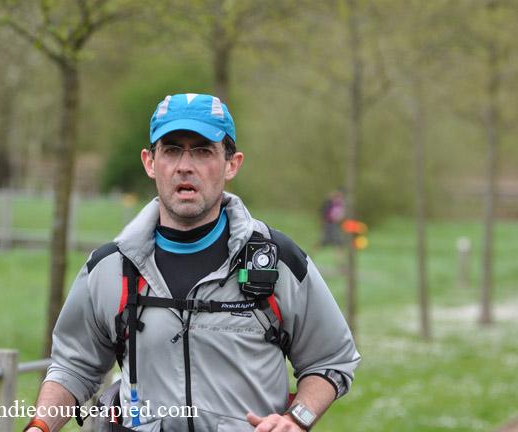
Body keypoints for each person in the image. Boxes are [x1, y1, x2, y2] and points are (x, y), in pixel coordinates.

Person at [24, 94, 360, 432]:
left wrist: (296, 420)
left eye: (203, 151)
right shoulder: (111, 268)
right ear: (150, 162)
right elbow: (73, 367)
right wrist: (39, 426)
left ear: (232, 164)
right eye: (172, 150)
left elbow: (331, 359)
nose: (185, 166)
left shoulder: (277, 261)